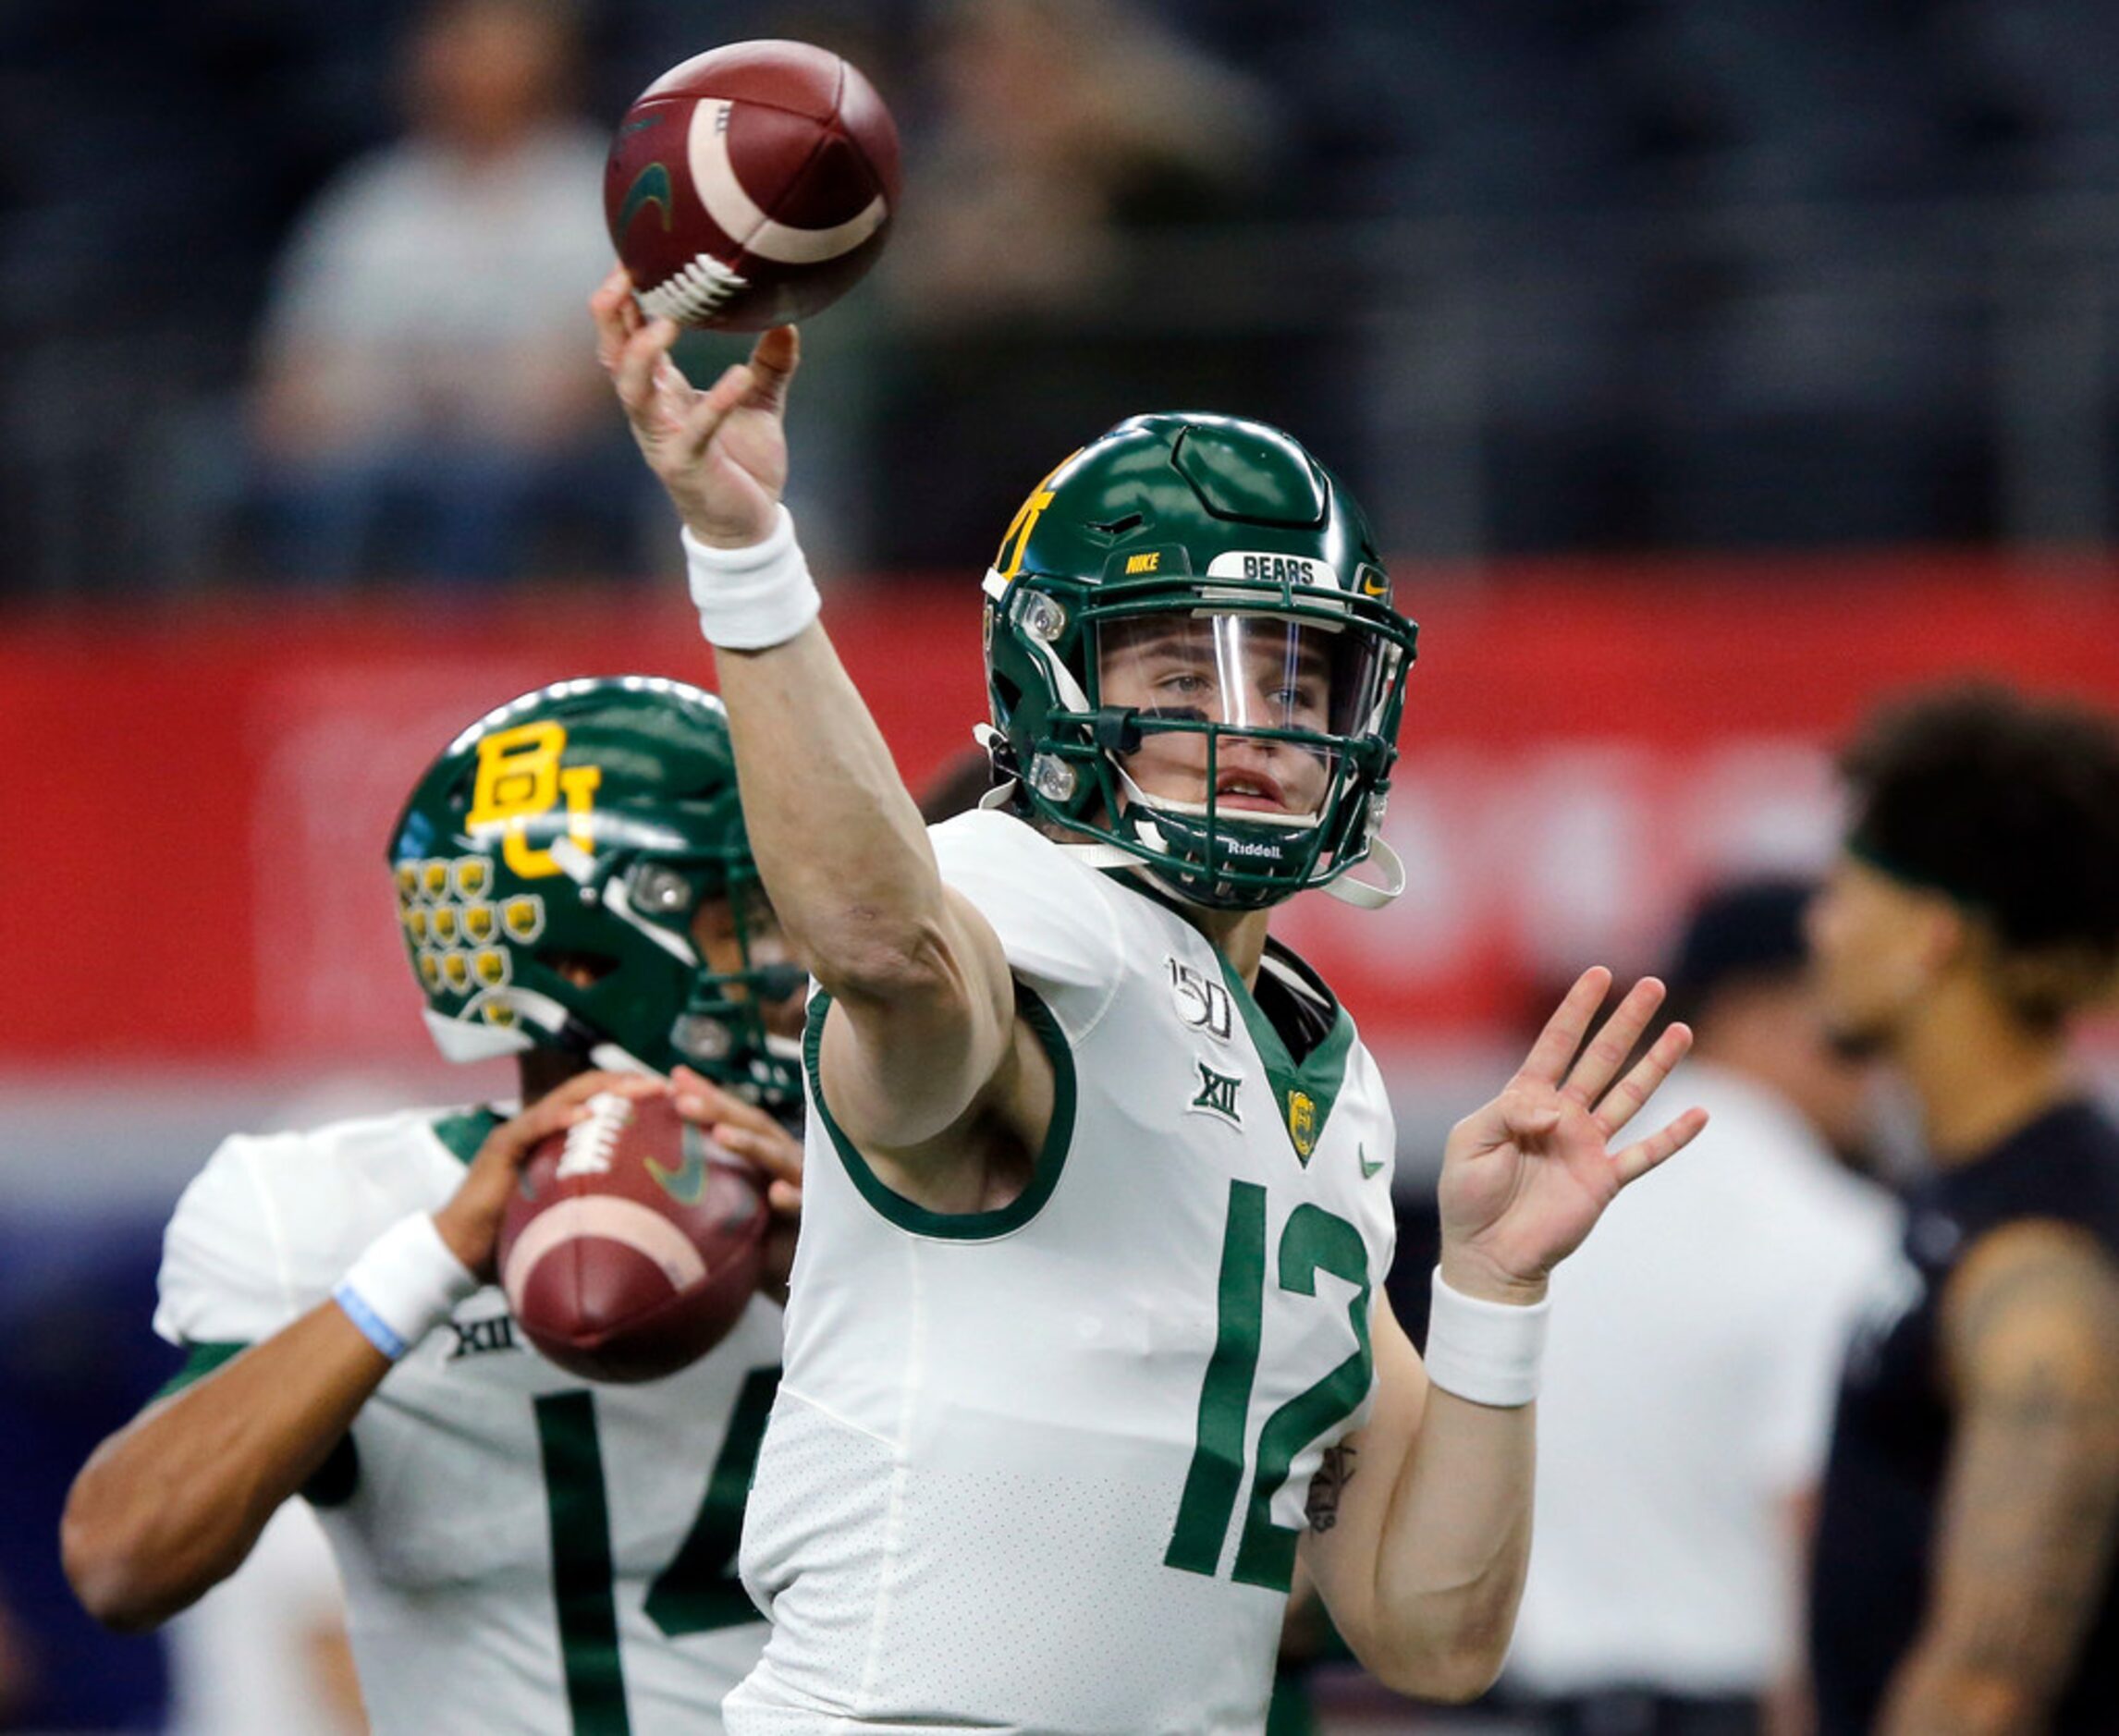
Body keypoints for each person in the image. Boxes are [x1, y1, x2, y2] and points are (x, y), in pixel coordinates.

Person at [593, 279, 1709, 1732]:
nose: (1256, 723)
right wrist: (748, 555)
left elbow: (1431, 1631)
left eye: (1302, 676)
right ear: (1053, 676)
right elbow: (887, 951)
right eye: (1185, 667)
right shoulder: (1034, 904)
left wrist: (1496, 1288)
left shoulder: (1328, 1071)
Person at [63, 677, 808, 1734]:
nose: (806, 957)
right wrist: (433, 1262)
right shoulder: (330, 1209)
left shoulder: (885, 1178)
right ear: (592, 956)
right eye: (758, 919)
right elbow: (121, 1561)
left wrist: (837, 1275)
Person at [1499, 879, 1899, 1736]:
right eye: (1856, 1038)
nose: (1881, 1073)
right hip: (1732, 1707)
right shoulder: (1835, 1234)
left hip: (1520, 1705)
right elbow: (1815, 1537)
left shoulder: (1538, 1214)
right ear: (1757, 1016)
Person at [1804, 683, 2119, 1736]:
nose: (1819, 929)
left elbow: (1988, 1679)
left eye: (1844, 893)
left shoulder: (2039, 1250)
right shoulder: (1970, 1190)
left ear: (1932, 935)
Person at [249, 0, 632, 583]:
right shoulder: (374, 198)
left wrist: (463, 402)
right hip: (374, 442)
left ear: (550, 65)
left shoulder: (591, 190)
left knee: (480, 485)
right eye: (455, 46)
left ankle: (465, 670)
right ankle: (319, 661)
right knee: (245, 468)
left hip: (533, 453)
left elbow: (586, 382)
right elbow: (296, 373)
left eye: (496, 48)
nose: (466, 68)